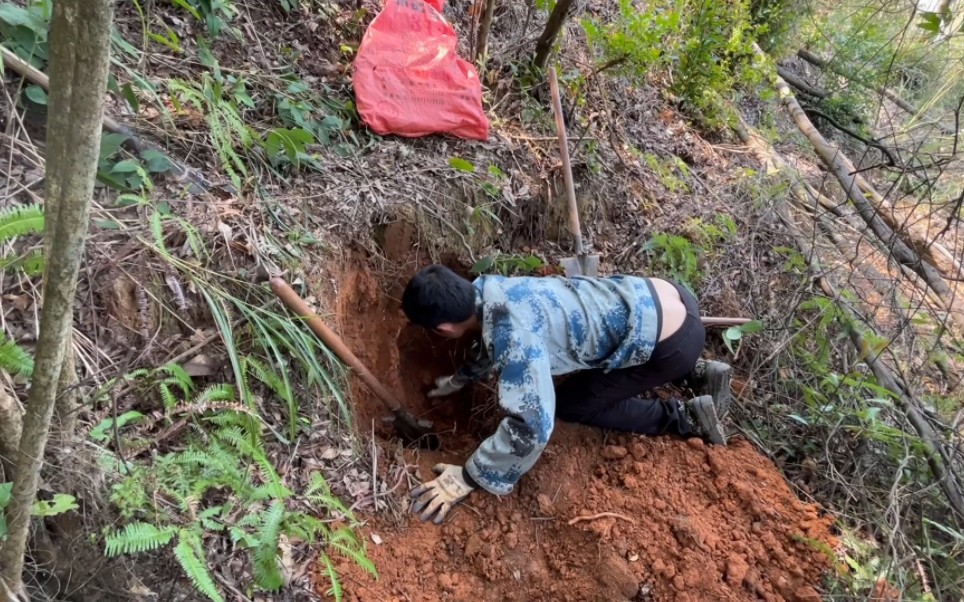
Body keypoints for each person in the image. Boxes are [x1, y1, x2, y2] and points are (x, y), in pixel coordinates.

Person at [401, 264, 732, 524]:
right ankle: (699, 370)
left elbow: (533, 427)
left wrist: (471, 476)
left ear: (442, 329)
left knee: (574, 404)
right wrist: (460, 379)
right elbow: (492, 334)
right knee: (601, 343)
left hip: (673, 345)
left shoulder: (514, 337)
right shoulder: (491, 288)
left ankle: (686, 416)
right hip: (664, 297)